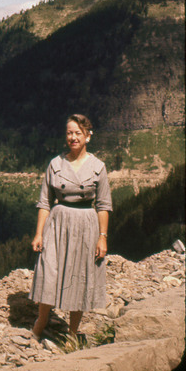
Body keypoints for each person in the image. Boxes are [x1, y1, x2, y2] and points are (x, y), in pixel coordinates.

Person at [29, 113, 112, 341]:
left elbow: (104, 205)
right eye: (69, 133)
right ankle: (41, 321)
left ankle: (73, 333)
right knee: (50, 269)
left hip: (87, 223)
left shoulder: (98, 167)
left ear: (88, 136)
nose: (73, 137)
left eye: (78, 133)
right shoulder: (55, 164)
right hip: (57, 223)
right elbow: (44, 202)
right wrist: (38, 233)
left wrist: (102, 237)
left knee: (80, 274)